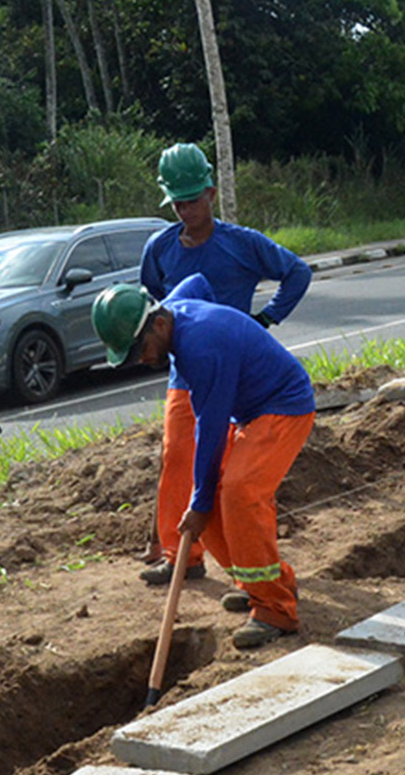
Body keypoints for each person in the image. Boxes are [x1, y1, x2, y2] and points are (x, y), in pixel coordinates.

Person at [94, 272, 315, 649]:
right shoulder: (176, 314)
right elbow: (197, 282)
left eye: (141, 349)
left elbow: (209, 431)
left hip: (284, 406)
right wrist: (200, 501)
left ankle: (276, 609)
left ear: (159, 324)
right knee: (209, 505)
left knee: (239, 492)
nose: (144, 360)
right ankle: (262, 583)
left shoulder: (200, 348)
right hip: (250, 412)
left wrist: (198, 499)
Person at [137, 142, 311, 600]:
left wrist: (264, 319)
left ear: (211, 193)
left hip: (227, 371)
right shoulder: (160, 248)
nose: (185, 210)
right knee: (179, 457)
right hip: (188, 367)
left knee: (230, 478)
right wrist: (185, 329)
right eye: (176, 202)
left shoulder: (241, 243)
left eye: (192, 200)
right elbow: (160, 299)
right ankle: (182, 554)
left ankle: (253, 577)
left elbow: (297, 272)